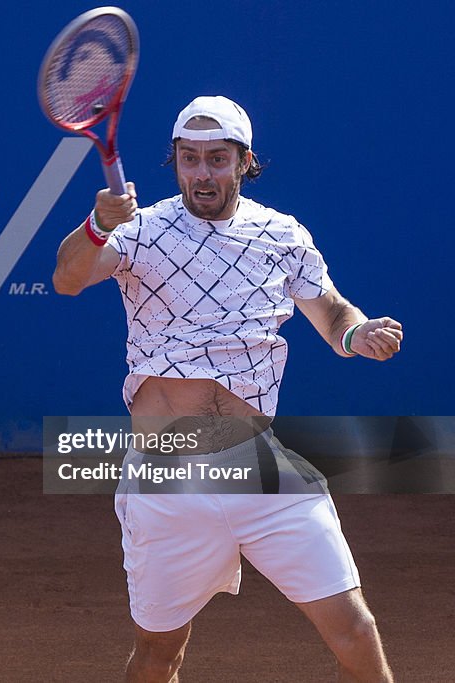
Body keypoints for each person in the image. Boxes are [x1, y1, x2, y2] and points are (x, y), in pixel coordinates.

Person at [53, 96, 402, 682]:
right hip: (166, 481)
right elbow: (67, 279)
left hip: (259, 469)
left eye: (217, 158)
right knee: (160, 654)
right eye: (189, 159)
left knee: (356, 630)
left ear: (244, 162)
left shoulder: (282, 234)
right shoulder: (141, 231)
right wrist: (97, 226)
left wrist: (356, 334)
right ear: (176, 162)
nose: (202, 173)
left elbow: (333, 312)